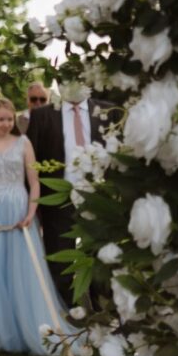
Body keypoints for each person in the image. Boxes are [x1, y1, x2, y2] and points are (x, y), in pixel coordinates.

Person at [0, 99, 71, 356]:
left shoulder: (24, 143)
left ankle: (26, 328)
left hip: (19, 214)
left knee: (21, 271)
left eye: (9, 119)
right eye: (0, 119)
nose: (5, 124)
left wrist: (31, 213)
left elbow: (34, 182)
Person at [25, 87, 114, 301]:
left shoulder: (108, 111)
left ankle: (102, 309)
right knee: (60, 264)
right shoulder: (42, 115)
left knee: (100, 260)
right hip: (58, 201)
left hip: (98, 199)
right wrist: (34, 206)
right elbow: (30, 163)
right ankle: (66, 311)